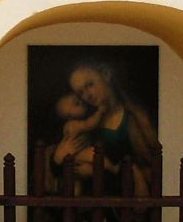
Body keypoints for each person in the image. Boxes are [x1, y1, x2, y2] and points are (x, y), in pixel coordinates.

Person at [67, 60, 158, 194]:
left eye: (90, 84)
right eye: (81, 92)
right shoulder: (88, 125)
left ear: (106, 74)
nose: (88, 94)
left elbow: (151, 161)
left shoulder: (136, 117)